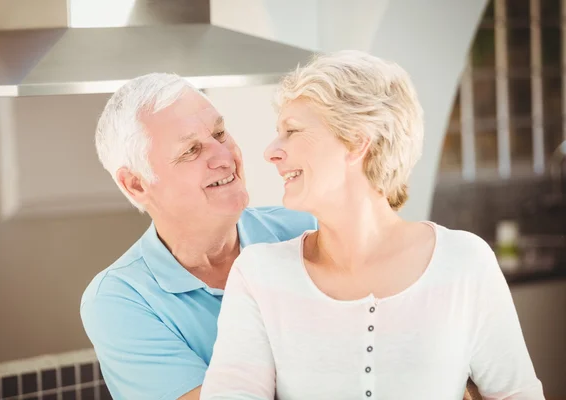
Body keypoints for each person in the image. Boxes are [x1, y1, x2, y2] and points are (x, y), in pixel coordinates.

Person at [200, 50, 545, 399]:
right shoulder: (260, 276)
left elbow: (517, 394)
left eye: (292, 130)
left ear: (356, 142)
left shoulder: (464, 262)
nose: (271, 151)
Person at [79, 73, 318, 400]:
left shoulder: (306, 230)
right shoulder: (120, 299)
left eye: (220, 133)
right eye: (191, 150)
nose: (225, 157)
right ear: (136, 184)